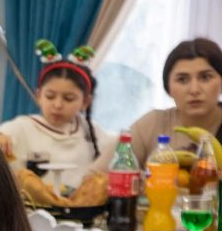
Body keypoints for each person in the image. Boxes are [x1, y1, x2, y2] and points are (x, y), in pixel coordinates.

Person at [0, 40, 112, 190]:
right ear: (39, 96)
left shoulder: (92, 131)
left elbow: (120, 149)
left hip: (82, 203)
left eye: (68, 98)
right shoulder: (23, 127)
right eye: (50, 96)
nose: (57, 105)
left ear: (86, 101)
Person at [92, 37, 222, 169]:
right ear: (168, 88)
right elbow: (94, 174)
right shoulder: (153, 124)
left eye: (205, 77)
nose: (194, 90)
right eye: (182, 80)